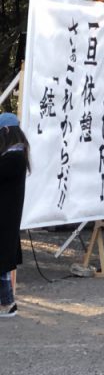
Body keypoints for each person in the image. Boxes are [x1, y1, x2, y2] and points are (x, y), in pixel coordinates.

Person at [0, 112, 28, 318]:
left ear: (6, 131)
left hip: (5, 217)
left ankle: (8, 303)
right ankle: (8, 303)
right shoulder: (17, 154)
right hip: (6, 216)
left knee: (1, 263)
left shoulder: (14, 156)